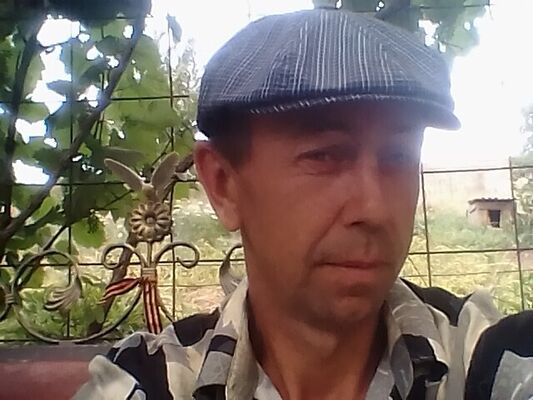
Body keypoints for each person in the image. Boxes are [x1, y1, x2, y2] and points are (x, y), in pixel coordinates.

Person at [75, 7, 533, 400]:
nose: (374, 209)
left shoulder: (482, 357)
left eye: (397, 157)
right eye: (325, 156)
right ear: (223, 185)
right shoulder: (155, 380)